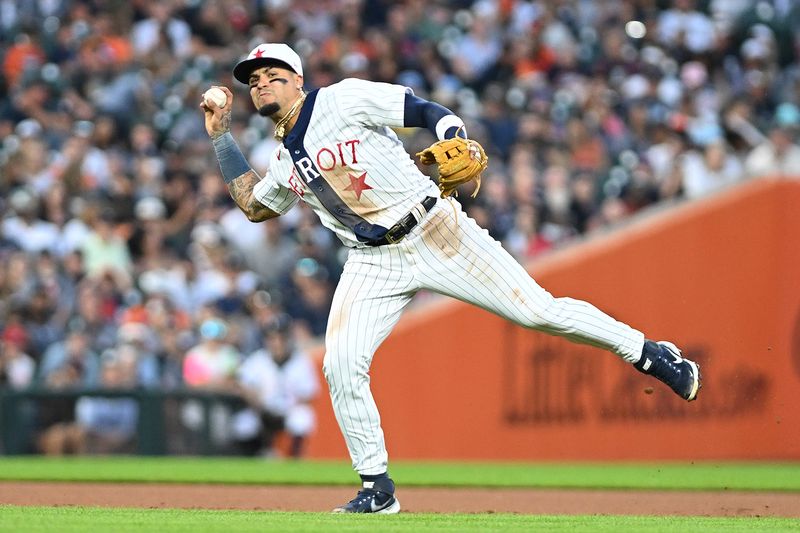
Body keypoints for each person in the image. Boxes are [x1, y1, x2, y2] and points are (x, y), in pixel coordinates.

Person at [201, 43, 702, 514]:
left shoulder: (341, 99)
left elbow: (421, 109)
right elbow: (252, 205)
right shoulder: (283, 158)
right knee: (340, 364)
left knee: (538, 311)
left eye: (274, 75)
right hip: (372, 259)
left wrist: (453, 139)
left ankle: (648, 351)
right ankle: (377, 488)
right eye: (255, 80)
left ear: (298, 81)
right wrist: (221, 136)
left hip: (435, 227)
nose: (262, 84)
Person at [233, 313, 319, 458]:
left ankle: (294, 459)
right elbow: (241, 385)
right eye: (272, 338)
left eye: (281, 338)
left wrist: (287, 407)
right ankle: (252, 459)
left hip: (289, 410)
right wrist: (258, 404)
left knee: (303, 419)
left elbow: (309, 393)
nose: (277, 342)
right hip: (262, 410)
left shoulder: (300, 361)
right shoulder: (258, 359)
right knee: (243, 425)